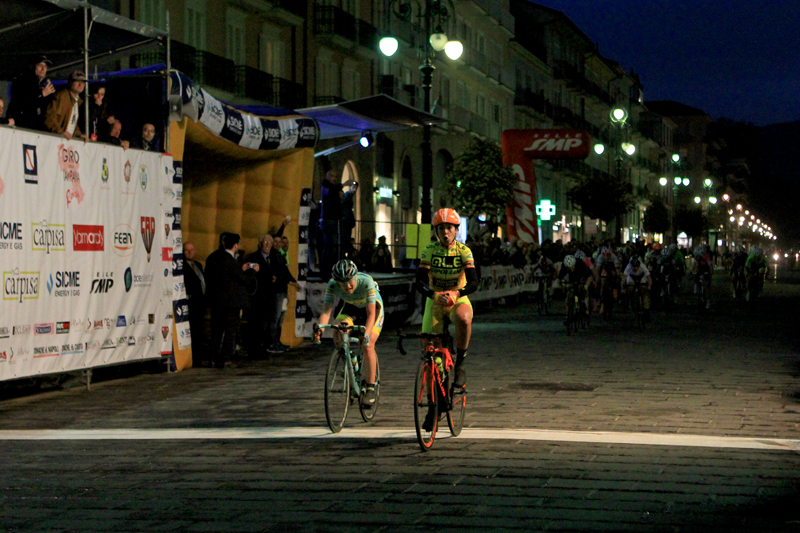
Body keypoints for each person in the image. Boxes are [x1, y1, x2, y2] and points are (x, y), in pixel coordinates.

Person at [415, 209, 478, 392]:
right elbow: (419, 281)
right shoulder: (429, 251)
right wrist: (434, 295)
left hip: (457, 298)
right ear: (436, 231)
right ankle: (431, 406)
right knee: (429, 349)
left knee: (464, 318)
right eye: (441, 228)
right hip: (435, 300)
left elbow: (474, 282)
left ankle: (460, 363)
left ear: (456, 230)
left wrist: (457, 293)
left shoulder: (464, 251)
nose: (445, 232)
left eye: (449, 228)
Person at [314, 259, 383, 409]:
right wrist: (320, 328)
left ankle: (370, 387)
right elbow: (327, 311)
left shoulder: (366, 283)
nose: (347, 287)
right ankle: (350, 358)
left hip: (372, 310)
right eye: (343, 284)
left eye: (350, 282)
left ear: (356, 277)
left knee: (368, 344)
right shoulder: (332, 285)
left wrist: (366, 333)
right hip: (351, 308)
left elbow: (371, 314)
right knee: (338, 330)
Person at [205, 233, 259, 368]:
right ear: (236, 245)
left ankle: (212, 358)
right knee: (230, 330)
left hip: (216, 301)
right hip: (232, 302)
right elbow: (244, 280)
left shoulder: (213, 257)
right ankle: (226, 358)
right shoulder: (230, 260)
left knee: (216, 330)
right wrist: (253, 271)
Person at [7, 55, 55, 131]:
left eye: (45, 66)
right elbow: (22, 103)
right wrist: (42, 94)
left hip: (36, 128)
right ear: (32, 66)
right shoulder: (22, 81)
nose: (43, 69)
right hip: (21, 126)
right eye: (40, 65)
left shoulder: (43, 84)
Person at [183, 242, 208, 367]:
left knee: (199, 332)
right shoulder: (181, 266)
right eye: (186, 250)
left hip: (200, 304)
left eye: (191, 250)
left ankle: (198, 358)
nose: (189, 252)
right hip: (190, 304)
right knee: (192, 332)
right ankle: (192, 359)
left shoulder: (198, 265)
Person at [44, 71, 87, 140]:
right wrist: (60, 132)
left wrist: (79, 134)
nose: (80, 84)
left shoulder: (77, 100)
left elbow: (71, 122)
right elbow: (50, 118)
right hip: (57, 140)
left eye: (83, 82)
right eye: (77, 81)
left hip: (66, 142)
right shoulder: (62, 96)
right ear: (70, 83)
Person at [319, 170, 344, 277]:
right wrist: (342, 185)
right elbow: (329, 192)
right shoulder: (325, 186)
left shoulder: (332, 189)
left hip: (333, 219)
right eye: (332, 176)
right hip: (328, 220)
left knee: (332, 246)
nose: (334, 179)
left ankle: (329, 269)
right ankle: (326, 270)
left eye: (336, 177)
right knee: (330, 246)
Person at [623, 255, 652, 320]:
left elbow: (649, 277)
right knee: (630, 287)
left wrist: (649, 286)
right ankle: (632, 300)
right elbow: (624, 277)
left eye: (637, 266)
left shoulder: (643, 267)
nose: (635, 268)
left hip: (641, 277)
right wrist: (623, 287)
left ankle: (646, 308)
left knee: (644, 290)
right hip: (631, 277)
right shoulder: (628, 267)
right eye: (634, 266)